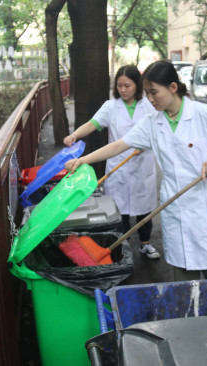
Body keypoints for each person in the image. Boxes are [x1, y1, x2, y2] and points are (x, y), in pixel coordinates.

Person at [65, 60, 207, 282]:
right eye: (147, 93)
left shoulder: (203, 114)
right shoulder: (152, 122)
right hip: (175, 208)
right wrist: (83, 161)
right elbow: (119, 145)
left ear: (173, 87)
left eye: (154, 92)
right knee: (185, 287)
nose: (150, 99)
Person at [63, 65, 161, 259]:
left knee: (145, 208)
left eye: (127, 85)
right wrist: (74, 135)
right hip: (119, 165)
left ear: (137, 85)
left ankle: (145, 244)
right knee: (120, 209)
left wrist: (148, 143)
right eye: (119, 85)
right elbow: (93, 123)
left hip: (143, 164)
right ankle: (123, 247)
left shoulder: (148, 105)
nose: (123, 90)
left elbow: (159, 129)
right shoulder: (111, 107)